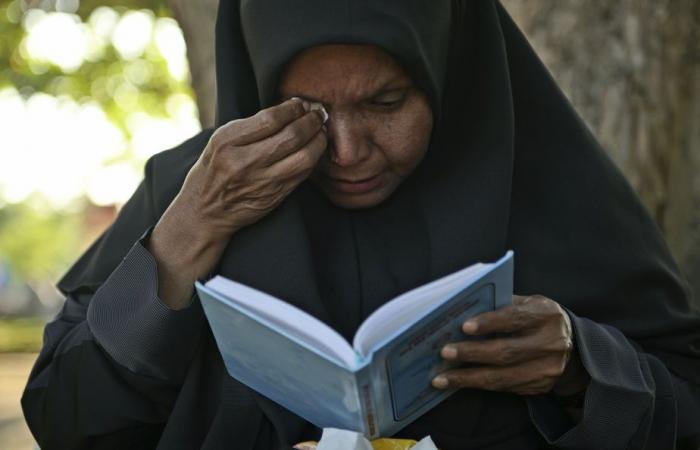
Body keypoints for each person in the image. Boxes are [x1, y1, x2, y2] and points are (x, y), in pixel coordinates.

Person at [22, 1, 700, 449]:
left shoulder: (559, 195)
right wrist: (183, 240)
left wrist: (583, 368)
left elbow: (686, 404)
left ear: (449, 75)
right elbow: (63, 419)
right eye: (304, 108)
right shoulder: (193, 193)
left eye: (385, 102)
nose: (346, 151)